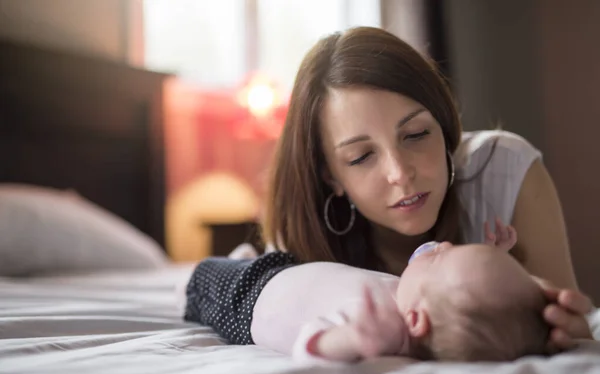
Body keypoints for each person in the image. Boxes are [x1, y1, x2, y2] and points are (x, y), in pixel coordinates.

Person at [183, 26, 594, 353]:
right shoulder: (302, 241)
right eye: (361, 158)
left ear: (445, 124)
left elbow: (571, 326)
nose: (400, 173)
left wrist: (563, 326)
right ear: (331, 178)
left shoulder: (504, 169)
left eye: (416, 134)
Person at [249, 224, 549, 363]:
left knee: (204, 273)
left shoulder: (377, 325)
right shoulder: (412, 300)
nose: (443, 245)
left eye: (440, 259)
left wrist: (351, 339)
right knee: (243, 258)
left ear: (416, 319)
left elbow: (308, 347)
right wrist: (491, 258)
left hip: (247, 296)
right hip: (280, 268)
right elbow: (481, 292)